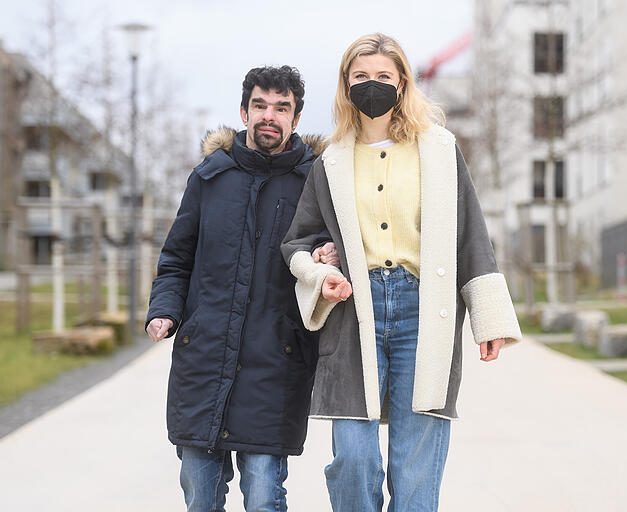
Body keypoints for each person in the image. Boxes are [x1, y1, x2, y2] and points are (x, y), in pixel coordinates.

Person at [281, 33, 523, 512]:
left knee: (415, 471)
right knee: (353, 460)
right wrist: (316, 273)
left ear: (403, 82)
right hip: (354, 312)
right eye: (361, 77)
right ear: (346, 86)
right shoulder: (329, 161)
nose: (373, 85)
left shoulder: (439, 149)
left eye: (383, 77)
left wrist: (488, 320)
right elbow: (298, 242)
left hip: (423, 310)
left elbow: (470, 234)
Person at [145, 65, 336, 512]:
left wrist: (330, 255)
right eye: (260, 105)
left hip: (278, 362)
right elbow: (176, 259)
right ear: (244, 111)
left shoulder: (317, 183)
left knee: (266, 496)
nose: (269, 115)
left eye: (281, 107)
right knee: (200, 497)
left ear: (296, 117)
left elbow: (327, 251)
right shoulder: (209, 178)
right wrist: (165, 311)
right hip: (204, 356)